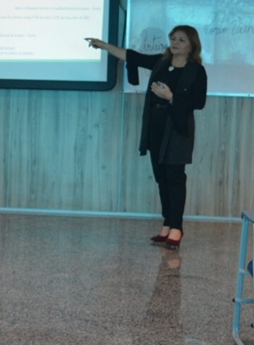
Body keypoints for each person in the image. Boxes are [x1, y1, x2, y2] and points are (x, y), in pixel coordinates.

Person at [86, 25, 208, 249]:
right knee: (161, 178)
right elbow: (132, 56)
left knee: (175, 178)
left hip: (178, 130)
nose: (175, 43)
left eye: (181, 40)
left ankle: (177, 228)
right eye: (173, 38)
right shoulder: (161, 62)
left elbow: (199, 103)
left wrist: (171, 98)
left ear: (191, 45)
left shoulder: (196, 71)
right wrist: (103, 46)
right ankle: (167, 223)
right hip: (155, 129)